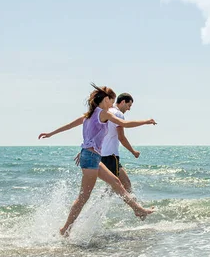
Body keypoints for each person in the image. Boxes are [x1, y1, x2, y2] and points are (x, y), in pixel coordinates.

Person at [38, 84, 156, 236]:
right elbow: (124, 124)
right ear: (106, 99)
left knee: (116, 183)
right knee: (83, 197)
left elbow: (69, 126)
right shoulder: (103, 114)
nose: (112, 105)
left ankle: (138, 209)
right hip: (91, 158)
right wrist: (146, 121)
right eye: (111, 101)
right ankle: (65, 229)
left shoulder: (88, 115)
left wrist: (50, 134)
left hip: (91, 157)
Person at [100, 93, 139, 192]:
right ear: (122, 102)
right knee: (125, 184)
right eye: (128, 105)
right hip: (111, 156)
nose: (129, 109)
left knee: (113, 186)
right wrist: (133, 151)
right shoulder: (118, 114)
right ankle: (136, 207)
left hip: (101, 156)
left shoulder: (105, 112)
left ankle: (96, 206)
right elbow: (121, 137)